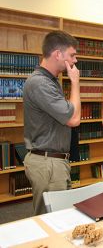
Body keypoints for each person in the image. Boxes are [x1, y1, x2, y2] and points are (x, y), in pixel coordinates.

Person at [23, 30, 81, 215]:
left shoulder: (51, 81)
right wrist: (75, 83)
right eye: (72, 55)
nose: (74, 61)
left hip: (54, 161)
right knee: (51, 220)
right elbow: (73, 119)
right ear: (58, 54)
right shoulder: (41, 83)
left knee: (60, 216)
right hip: (47, 163)